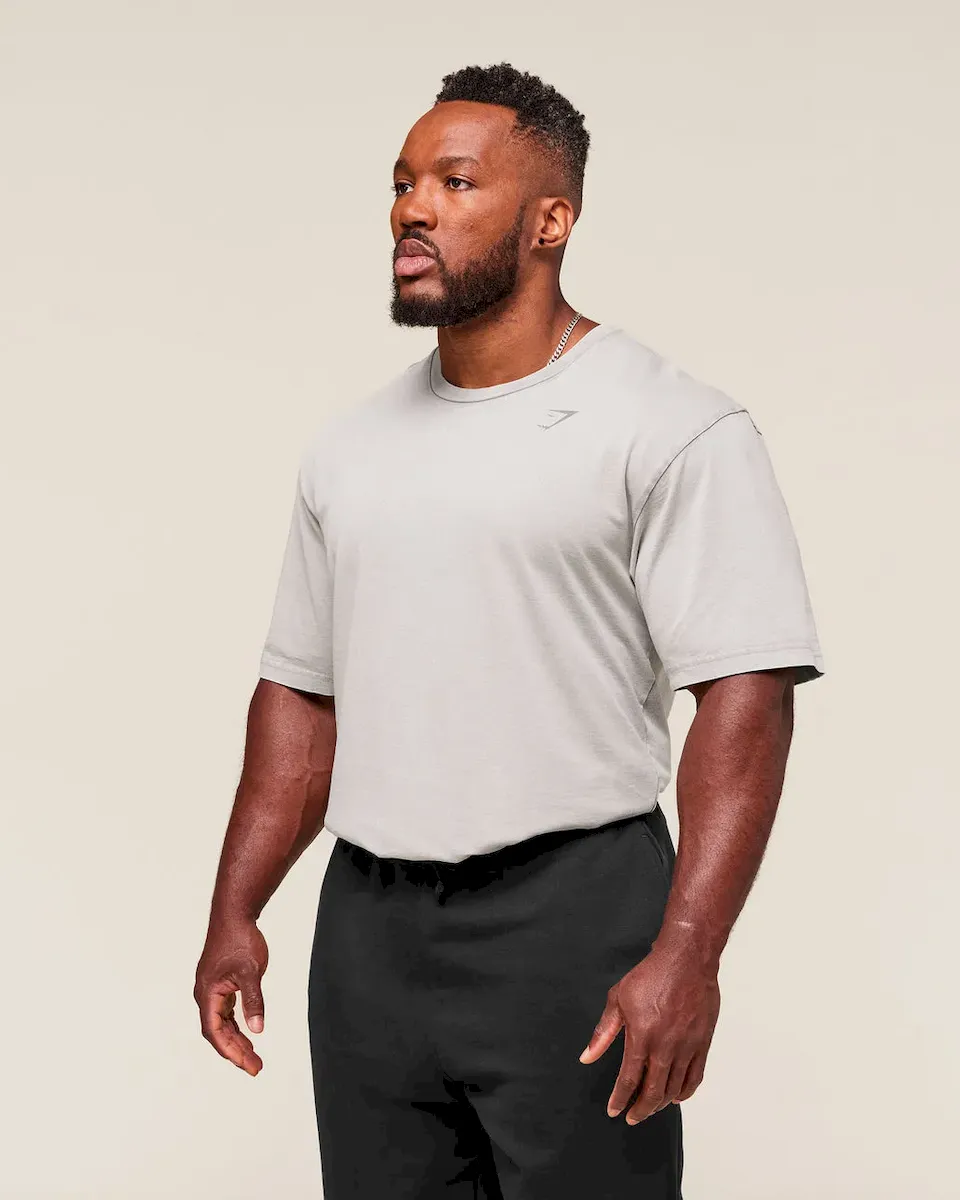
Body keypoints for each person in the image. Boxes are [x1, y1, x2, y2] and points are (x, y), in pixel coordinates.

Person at [193, 61, 825, 1199]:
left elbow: (745, 695)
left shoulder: (670, 425)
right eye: (402, 183)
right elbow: (300, 693)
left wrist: (689, 951)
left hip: (573, 916)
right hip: (369, 929)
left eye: (455, 182)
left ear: (550, 221)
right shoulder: (349, 448)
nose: (413, 208)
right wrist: (236, 907)